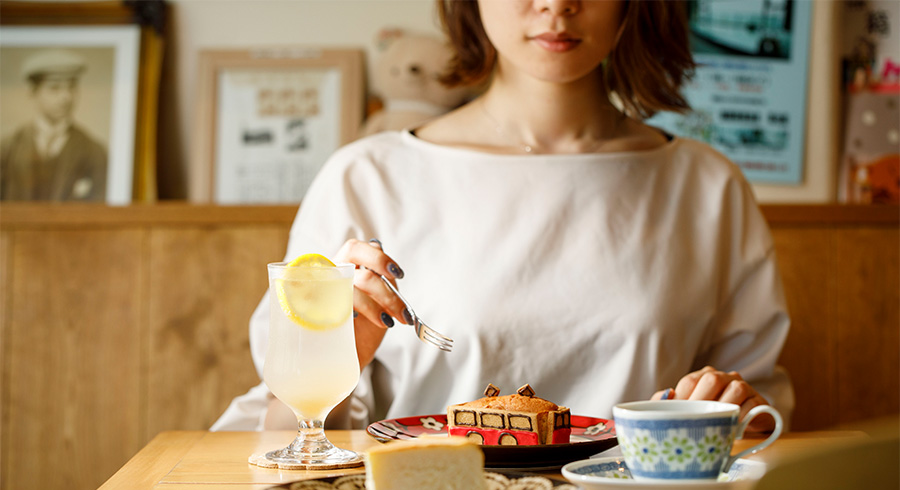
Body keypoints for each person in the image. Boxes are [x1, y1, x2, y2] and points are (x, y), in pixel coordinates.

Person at [212, 0, 792, 433]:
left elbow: (759, 410)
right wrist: (333, 360)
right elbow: (287, 435)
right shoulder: (367, 177)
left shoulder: (707, 185)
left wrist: (732, 405)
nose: (557, 5)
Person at [0, 48, 108, 202]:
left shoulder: (94, 152)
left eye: (71, 87)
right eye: (54, 88)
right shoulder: (7, 148)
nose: (66, 97)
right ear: (33, 92)